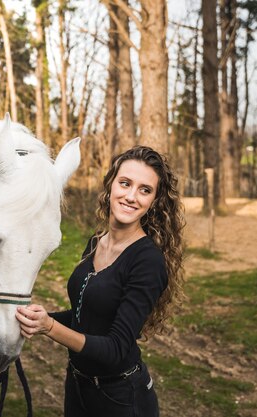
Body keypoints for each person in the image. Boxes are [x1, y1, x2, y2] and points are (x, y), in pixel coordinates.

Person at [16, 146, 185, 417]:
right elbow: (87, 316)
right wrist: (35, 319)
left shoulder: (147, 261)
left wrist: (48, 327)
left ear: (154, 200)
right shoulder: (96, 243)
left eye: (145, 190)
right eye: (125, 183)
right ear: (111, 185)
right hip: (78, 387)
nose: (131, 196)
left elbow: (116, 348)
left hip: (120, 398)